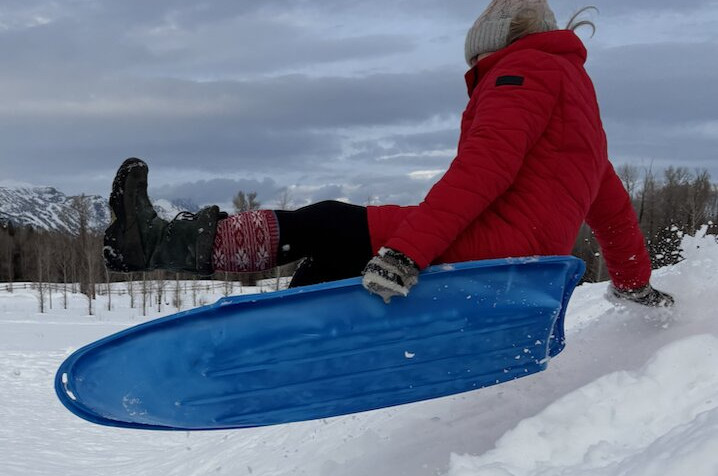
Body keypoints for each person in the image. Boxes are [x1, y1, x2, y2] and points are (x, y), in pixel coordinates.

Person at [102, 0, 674, 308]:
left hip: (491, 246)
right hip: (530, 263)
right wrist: (634, 285)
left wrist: (409, 251)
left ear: (494, 46)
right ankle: (293, 325)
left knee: (327, 222)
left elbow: (485, 169)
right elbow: (615, 214)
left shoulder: (523, 73)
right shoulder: (581, 114)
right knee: (338, 250)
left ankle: (155, 243)